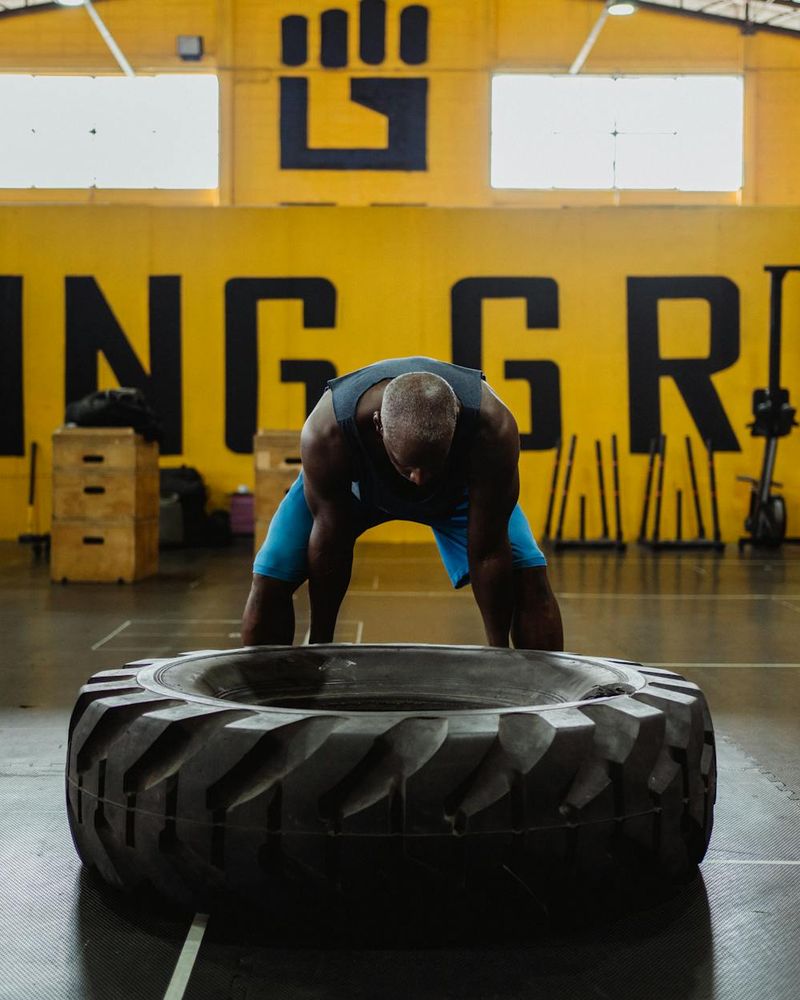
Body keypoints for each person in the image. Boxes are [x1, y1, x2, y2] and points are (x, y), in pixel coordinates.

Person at [241, 357, 563, 650]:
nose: (418, 480)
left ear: (456, 422)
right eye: (407, 467)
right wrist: (321, 647)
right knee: (271, 572)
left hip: (456, 493)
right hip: (358, 489)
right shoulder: (327, 432)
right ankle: (260, 697)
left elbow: (490, 551)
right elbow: (329, 543)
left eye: (429, 466)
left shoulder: (493, 429)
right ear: (379, 426)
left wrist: (498, 655)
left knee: (529, 575)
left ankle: (544, 691)